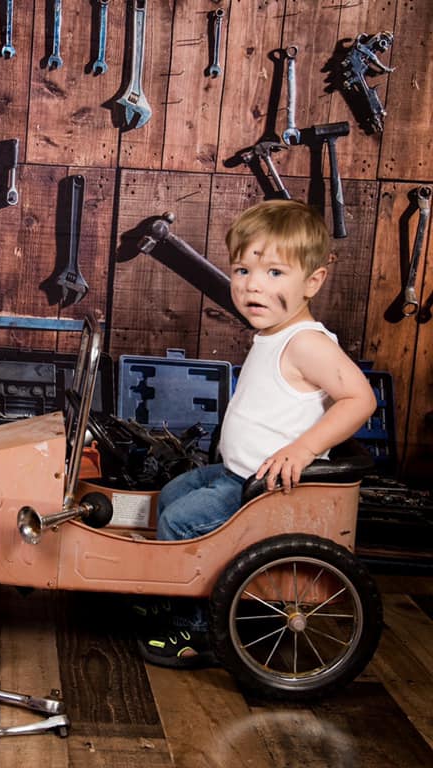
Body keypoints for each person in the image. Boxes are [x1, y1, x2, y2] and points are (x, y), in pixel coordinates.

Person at [138, 200, 377, 667]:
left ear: (312, 282)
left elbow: (360, 400)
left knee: (180, 523)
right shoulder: (271, 333)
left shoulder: (305, 342)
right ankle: (168, 590)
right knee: (169, 495)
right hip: (236, 474)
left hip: (264, 489)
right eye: (242, 269)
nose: (251, 285)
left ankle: (195, 630)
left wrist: (305, 448)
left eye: (273, 273)